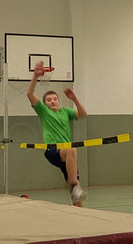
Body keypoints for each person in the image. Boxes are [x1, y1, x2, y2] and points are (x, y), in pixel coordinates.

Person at [26, 61, 87, 205]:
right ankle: (74, 185)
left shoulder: (65, 111)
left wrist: (75, 99)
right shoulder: (44, 112)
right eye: (49, 100)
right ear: (45, 103)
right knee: (72, 150)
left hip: (67, 156)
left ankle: (78, 207)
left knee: (76, 192)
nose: (52, 101)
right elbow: (29, 94)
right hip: (53, 151)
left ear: (58, 101)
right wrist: (35, 76)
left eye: (55, 99)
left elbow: (83, 114)